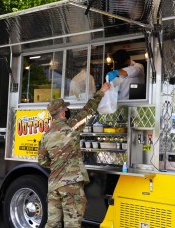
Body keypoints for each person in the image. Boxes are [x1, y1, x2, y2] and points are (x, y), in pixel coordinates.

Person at [38, 82, 110, 228]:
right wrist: (101, 91)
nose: (68, 110)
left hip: (53, 186)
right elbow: (89, 110)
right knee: (72, 224)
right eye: (66, 108)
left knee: (52, 224)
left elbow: (42, 161)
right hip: (70, 185)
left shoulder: (46, 136)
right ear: (63, 112)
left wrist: (57, 164)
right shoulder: (71, 127)